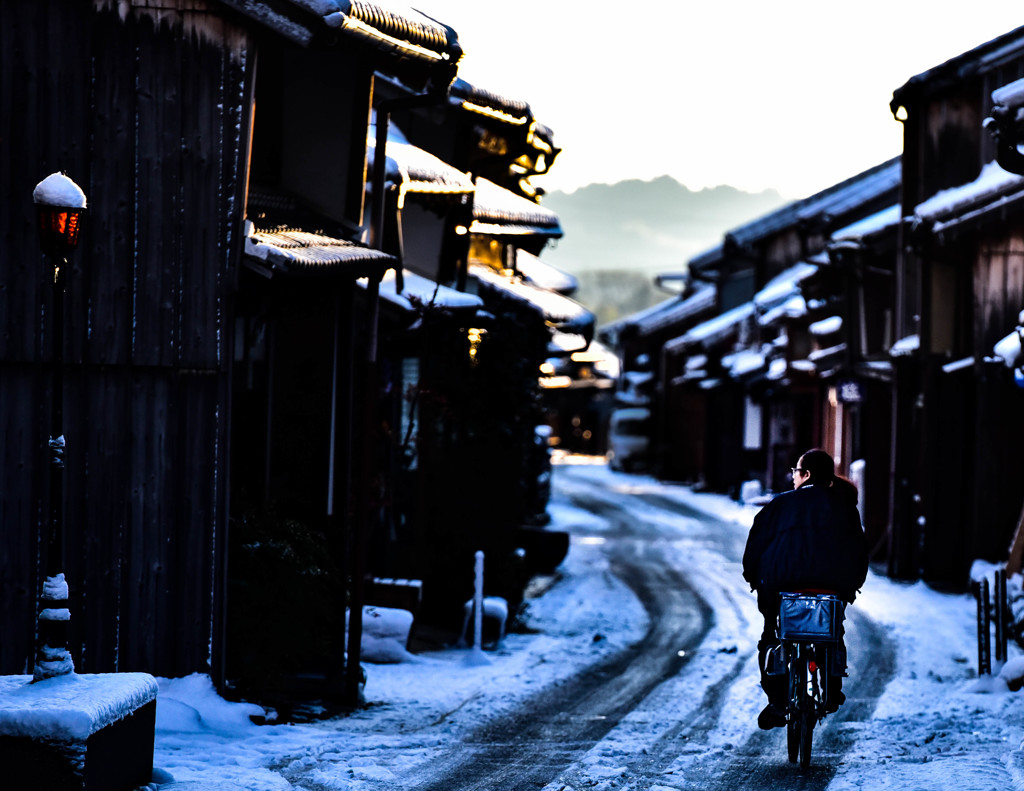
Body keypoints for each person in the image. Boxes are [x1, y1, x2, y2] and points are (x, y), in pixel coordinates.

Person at [742, 448, 868, 730]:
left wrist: (754, 578)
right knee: (832, 632)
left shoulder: (779, 505)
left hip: (781, 586)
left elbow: (755, 546)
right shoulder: (845, 508)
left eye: (796, 472)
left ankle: (777, 700)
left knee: (772, 637)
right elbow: (860, 553)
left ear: (806, 474)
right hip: (831, 588)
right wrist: (850, 587)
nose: (794, 478)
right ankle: (832, 690)